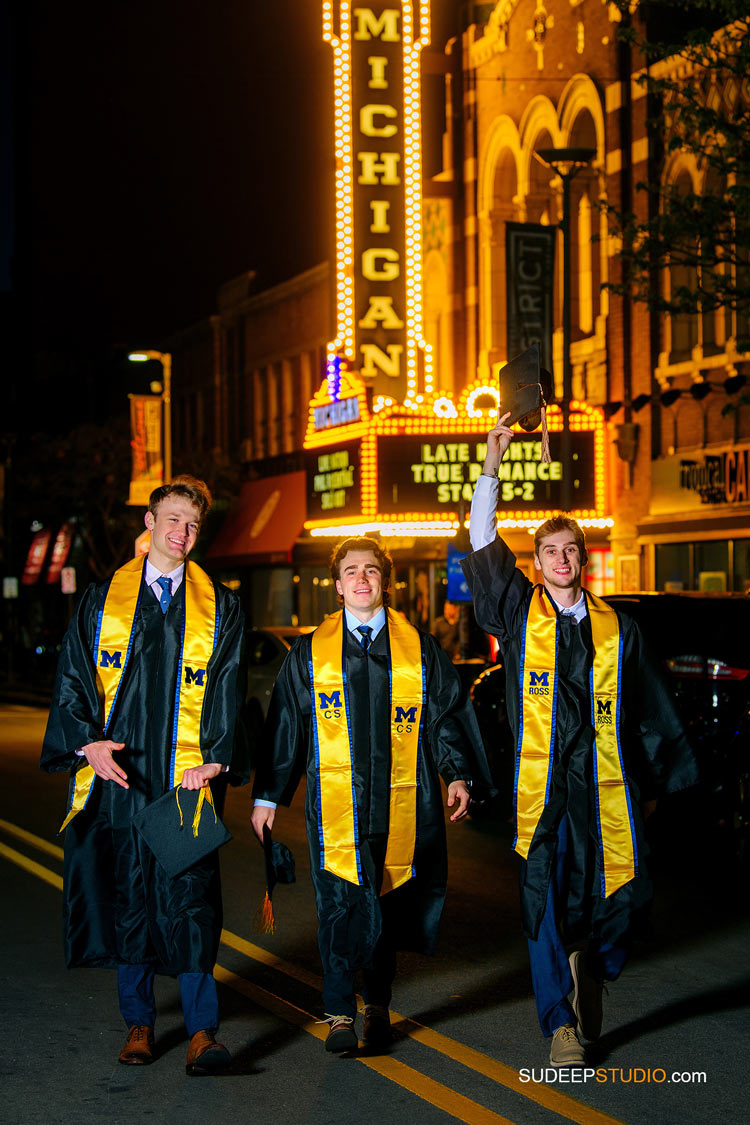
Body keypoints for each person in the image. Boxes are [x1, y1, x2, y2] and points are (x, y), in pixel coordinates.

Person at [461, 413, 696, 1065]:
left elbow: (649, 709)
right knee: (540, 895)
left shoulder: (618, 629)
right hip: (542, 789)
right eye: (550, 552)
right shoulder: (517, 611)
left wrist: (652, 785)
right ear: (535, 564)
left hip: (603, 786)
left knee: (616, 901)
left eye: (571, 551)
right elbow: (482, 542)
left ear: (582, 559)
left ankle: (586, 955)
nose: (562, 561)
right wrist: (490, 464)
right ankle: (558, 1021)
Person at [41, 476, 249, 1075]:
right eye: (172, 519)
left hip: (186, 781)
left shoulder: (222, 607)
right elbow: (75, 680)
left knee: (192, 902)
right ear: (151, 520)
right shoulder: (105, 599)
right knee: (131, 896)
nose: (181, 533)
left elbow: (230, 691)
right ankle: (139, 1022)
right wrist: (86, 743)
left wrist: (217, 755)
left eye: (192, 525)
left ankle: (202, 1032)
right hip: (125, 780)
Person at [251, 537, 491, 1052]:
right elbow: (287, 725)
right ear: (337, 587)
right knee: (337, 903)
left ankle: (377, 1004)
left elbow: (445, 719)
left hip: (403, 801)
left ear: (385, 581)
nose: (362, 579)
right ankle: (339, 1012)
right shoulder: (310, 653)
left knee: (386, 903)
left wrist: (456, 774)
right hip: (336, 806)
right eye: (351, 571)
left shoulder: (419, 649)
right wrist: (268, 796)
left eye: (371, 571)